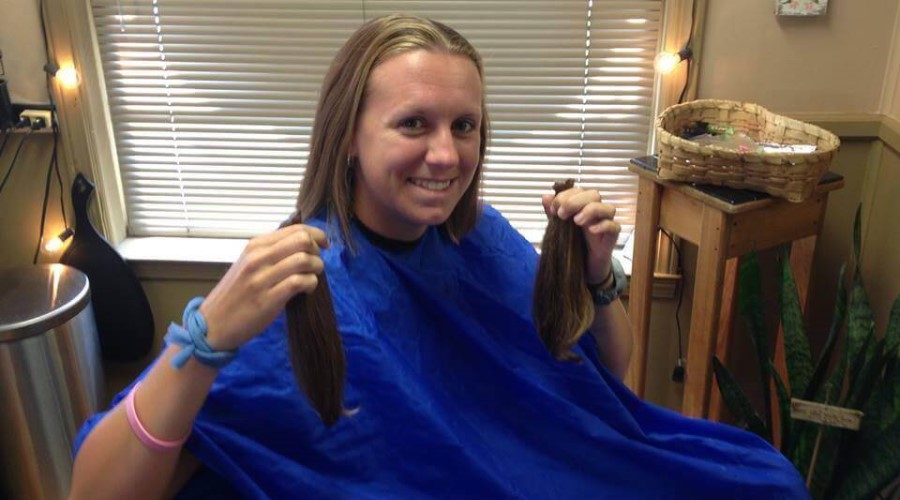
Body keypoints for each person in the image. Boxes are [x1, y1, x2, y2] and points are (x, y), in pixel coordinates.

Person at [70, 14, 808, 499]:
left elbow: (608, 374)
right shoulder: (303, 278)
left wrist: (595, 279)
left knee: (764, 479)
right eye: (413, 124)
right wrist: (202, 342)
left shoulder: (477, 234)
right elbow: (94, 493)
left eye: (466, 125)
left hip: (542, 468)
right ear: (349, 134)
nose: (446, 154)